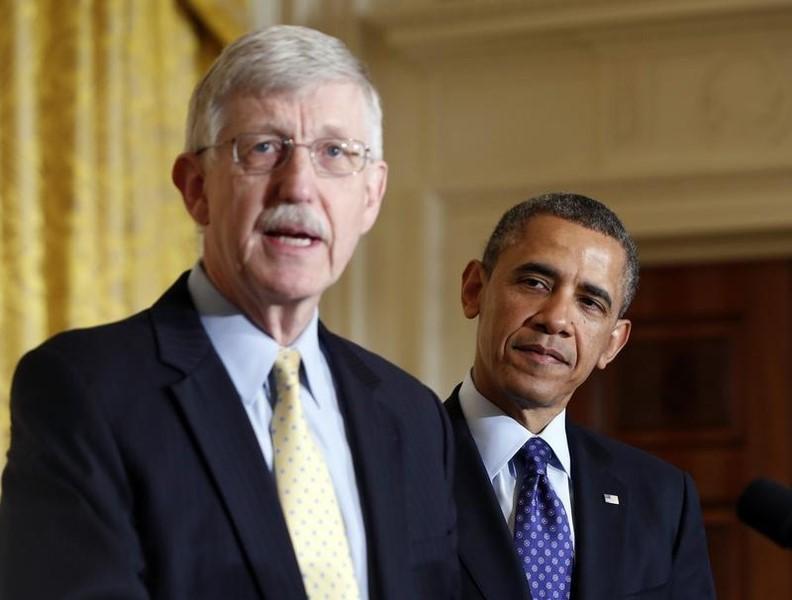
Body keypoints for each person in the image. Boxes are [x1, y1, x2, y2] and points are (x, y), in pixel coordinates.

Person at [0, 26, 457, 600]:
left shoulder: (413, 416)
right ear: (196, 188)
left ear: (370, 195)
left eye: (334, 153)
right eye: (263, 148)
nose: (299, 186)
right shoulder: (85, 391)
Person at [447, 192, 715, 599]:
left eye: (589, 302)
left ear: (612, 343)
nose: (555, 320)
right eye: (535, 282)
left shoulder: (662, 497)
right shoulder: (393, 463)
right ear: (474, 290)